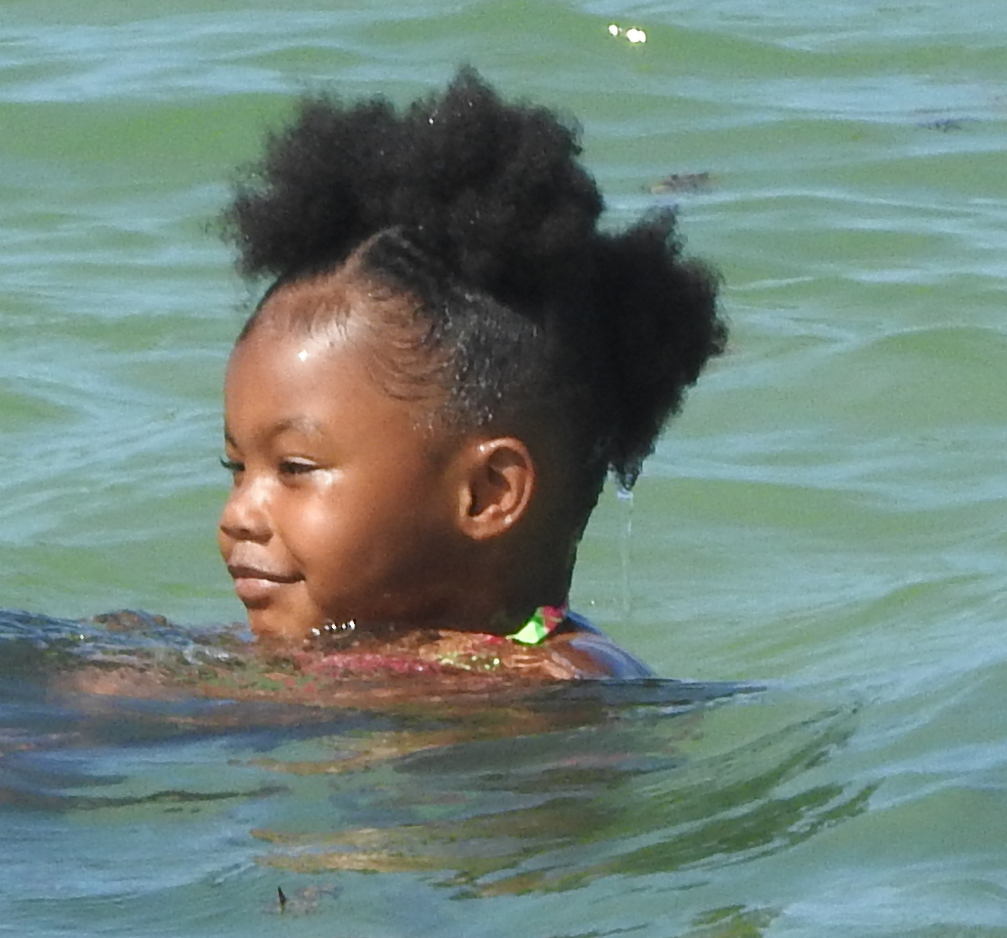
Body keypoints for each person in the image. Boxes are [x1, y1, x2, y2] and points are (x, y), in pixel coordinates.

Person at [214, 67, 724, 685]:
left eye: (294, 469)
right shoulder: (352, 662)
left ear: (487, 493)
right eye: (237, 468)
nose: (239, 512)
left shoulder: (550, 687)